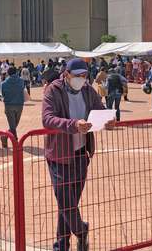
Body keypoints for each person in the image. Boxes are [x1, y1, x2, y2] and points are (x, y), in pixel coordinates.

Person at [42, 58, 114, 251]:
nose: (81, 80)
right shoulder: (53, 90)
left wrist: (108, 119)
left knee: (69, 204)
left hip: (81, 154)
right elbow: (47, 119)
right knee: (65, 201)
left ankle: (61, 246)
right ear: (66, 74)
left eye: (84, 76)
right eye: (77, 76)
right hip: (59, 154)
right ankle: (81, 231)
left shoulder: (88, 90)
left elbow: (99, 109)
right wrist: (73, 125)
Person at [1, 67, 25, 147]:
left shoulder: (4, 83)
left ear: (8, 73)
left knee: (12, 125)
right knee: (15, 124)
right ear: (16, 72)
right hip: (19, 104)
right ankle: (15, 142)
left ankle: (5, 136)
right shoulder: (21, 81)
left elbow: (3, 94)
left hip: (9, 105)